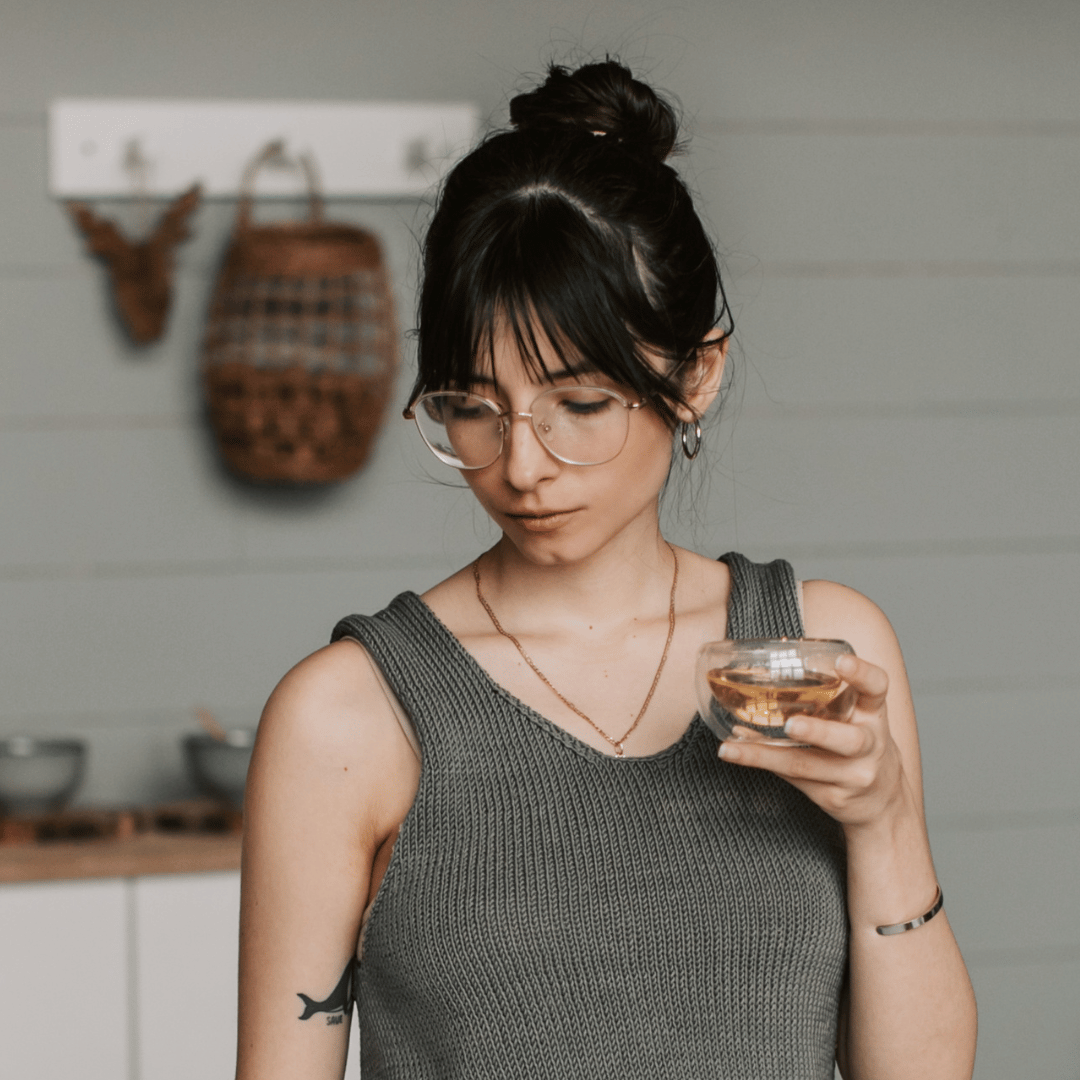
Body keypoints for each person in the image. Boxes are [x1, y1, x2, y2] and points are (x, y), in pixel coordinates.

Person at [237, 60, 977, 1080]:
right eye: (472, 406)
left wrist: (884, 818)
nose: (522, 465)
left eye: (579, 404)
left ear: (696, 375)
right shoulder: (347, 719)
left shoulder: (815, 657)